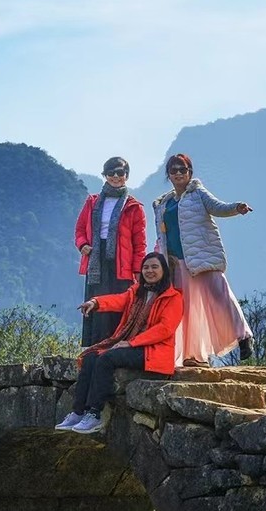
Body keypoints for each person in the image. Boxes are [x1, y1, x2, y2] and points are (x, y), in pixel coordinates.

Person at [56, 252, 181, 434]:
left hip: (153, 351)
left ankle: (94, 414)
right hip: (132, 344)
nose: (149, 271)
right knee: (91, 357)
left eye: (155, 267)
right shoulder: (136, 292)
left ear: (164, 271)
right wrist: (95, 302)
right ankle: (78, 412)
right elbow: (118, 300)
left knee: (106, 358)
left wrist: (131, 343)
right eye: (146, 267)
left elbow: (165, 329)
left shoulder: (173, 297)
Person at [151, 153, 254, 366]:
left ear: (190, 172)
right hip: (175, 262)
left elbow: (218, 207)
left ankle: (244, 336)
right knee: (187, 309)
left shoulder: (198, 193)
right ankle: (193, 355)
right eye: (174, 170)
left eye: (183, 169)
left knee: (221, 294)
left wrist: (237, 208)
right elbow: (162, 235)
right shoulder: (163, 203)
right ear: (168, 175)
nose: (179, 173)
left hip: (203, 257)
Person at [74, 157, 147, 346]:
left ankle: (116, 346)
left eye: (120, 173)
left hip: (121, 262)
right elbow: (80, 230)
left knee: (118, 304)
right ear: (104, 175)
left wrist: (138, 271)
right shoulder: (92, 202)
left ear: (127, 176)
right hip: (96, 260)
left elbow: (140, 243)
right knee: (96, 303)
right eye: (111, 173)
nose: (116, 177)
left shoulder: (134, 207)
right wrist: (83, 245)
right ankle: (95, 347)